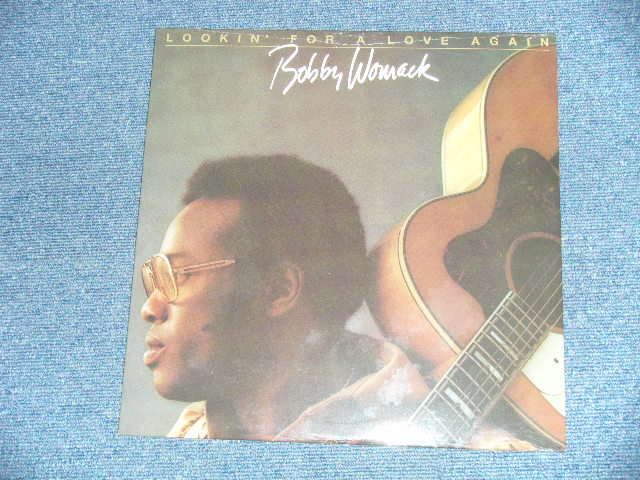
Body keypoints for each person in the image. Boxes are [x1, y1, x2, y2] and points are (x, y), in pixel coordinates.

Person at [140, 154, 533, 448]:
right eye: (154, 279)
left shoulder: (478, 453)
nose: (150, 308)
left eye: (178, 275)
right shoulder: (189, 436)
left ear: (278, 290)